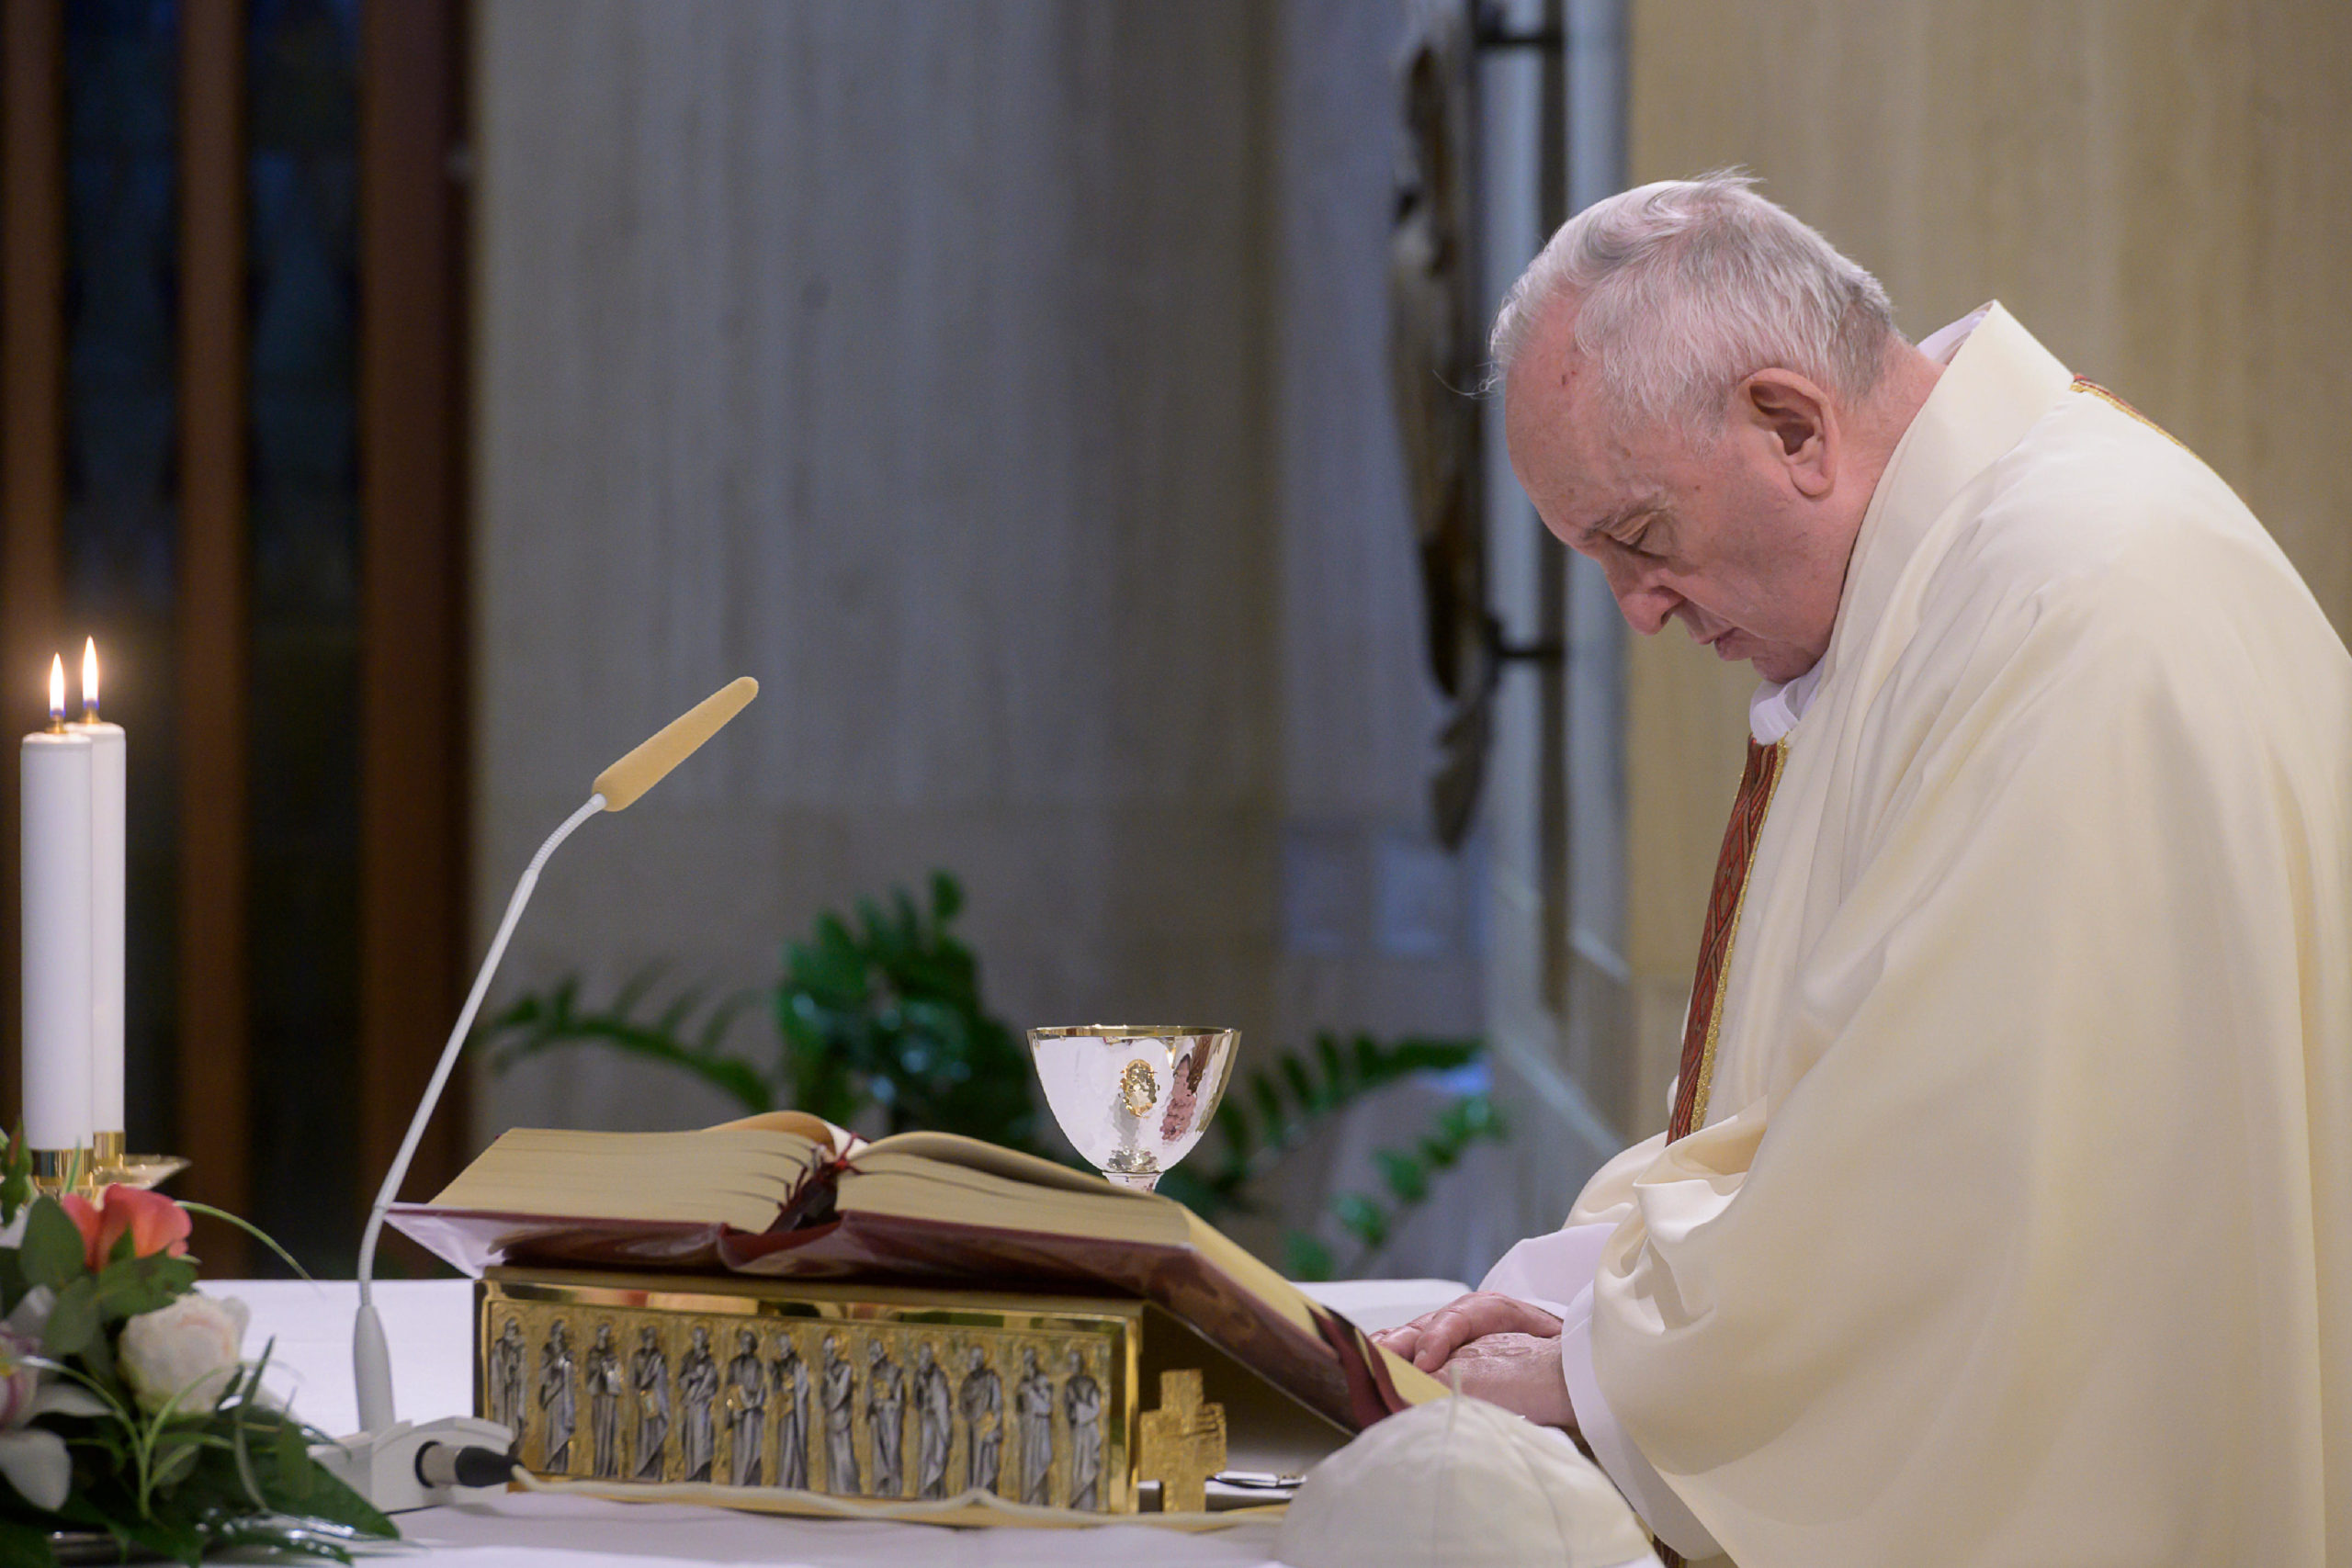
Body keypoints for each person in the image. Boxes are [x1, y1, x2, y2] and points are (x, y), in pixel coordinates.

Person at [1374, 173, 2351, 1567]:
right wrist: (1595, 1307)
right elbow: (1844, 1099)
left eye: (1638, 540)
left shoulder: (2073, 606)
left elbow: (1967, 1187)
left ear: (1791, 424)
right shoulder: (1954, 581)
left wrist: (1608, 1372)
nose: (1639, 612)